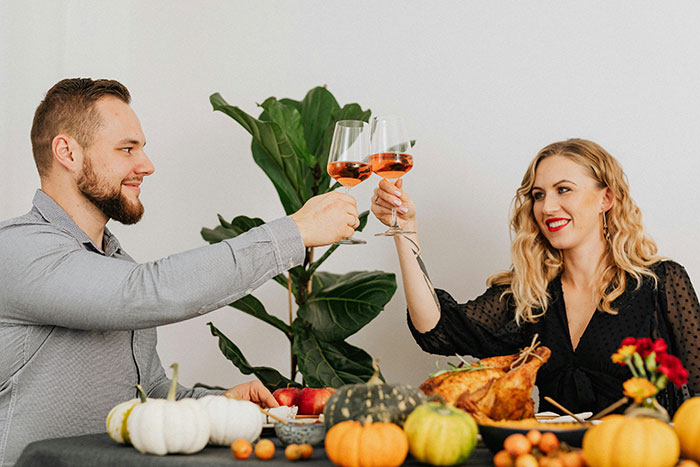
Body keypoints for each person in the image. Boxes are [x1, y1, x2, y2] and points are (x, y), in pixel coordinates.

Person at [0, 78, 360, 466]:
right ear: (67, 152)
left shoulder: (114, 264)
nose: (147, 166)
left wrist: (216, 405)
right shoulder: (16, 249)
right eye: (127, 149)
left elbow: (148, 393)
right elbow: (145, 292)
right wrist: (293, 233)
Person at [371, 138, 699, 417]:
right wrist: (404, 231)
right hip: (550, 458)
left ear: (606, 199)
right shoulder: (531, 294)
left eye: (563, 190)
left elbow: (697, 395)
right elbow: (437, 330)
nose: (547, 206)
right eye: (538, 195)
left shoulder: (662, 283)